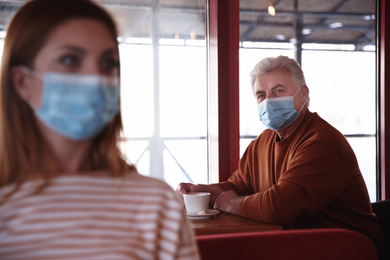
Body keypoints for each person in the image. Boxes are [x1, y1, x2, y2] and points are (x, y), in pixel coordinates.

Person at [0, 0, 200, 259]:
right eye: (70, 59)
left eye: (108, 63)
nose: (96, 77)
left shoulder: (155, 202)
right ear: (21, 81)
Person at [177, 56, 386, 249]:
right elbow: (237, 186)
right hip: (298, 245)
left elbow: (279, 207)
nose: (269, 100)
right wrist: (198, 191)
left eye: (278, 91)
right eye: (261, 95)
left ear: (303, 94)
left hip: (348, 249)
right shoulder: (262, 142)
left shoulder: (321, 142)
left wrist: (231, 203)